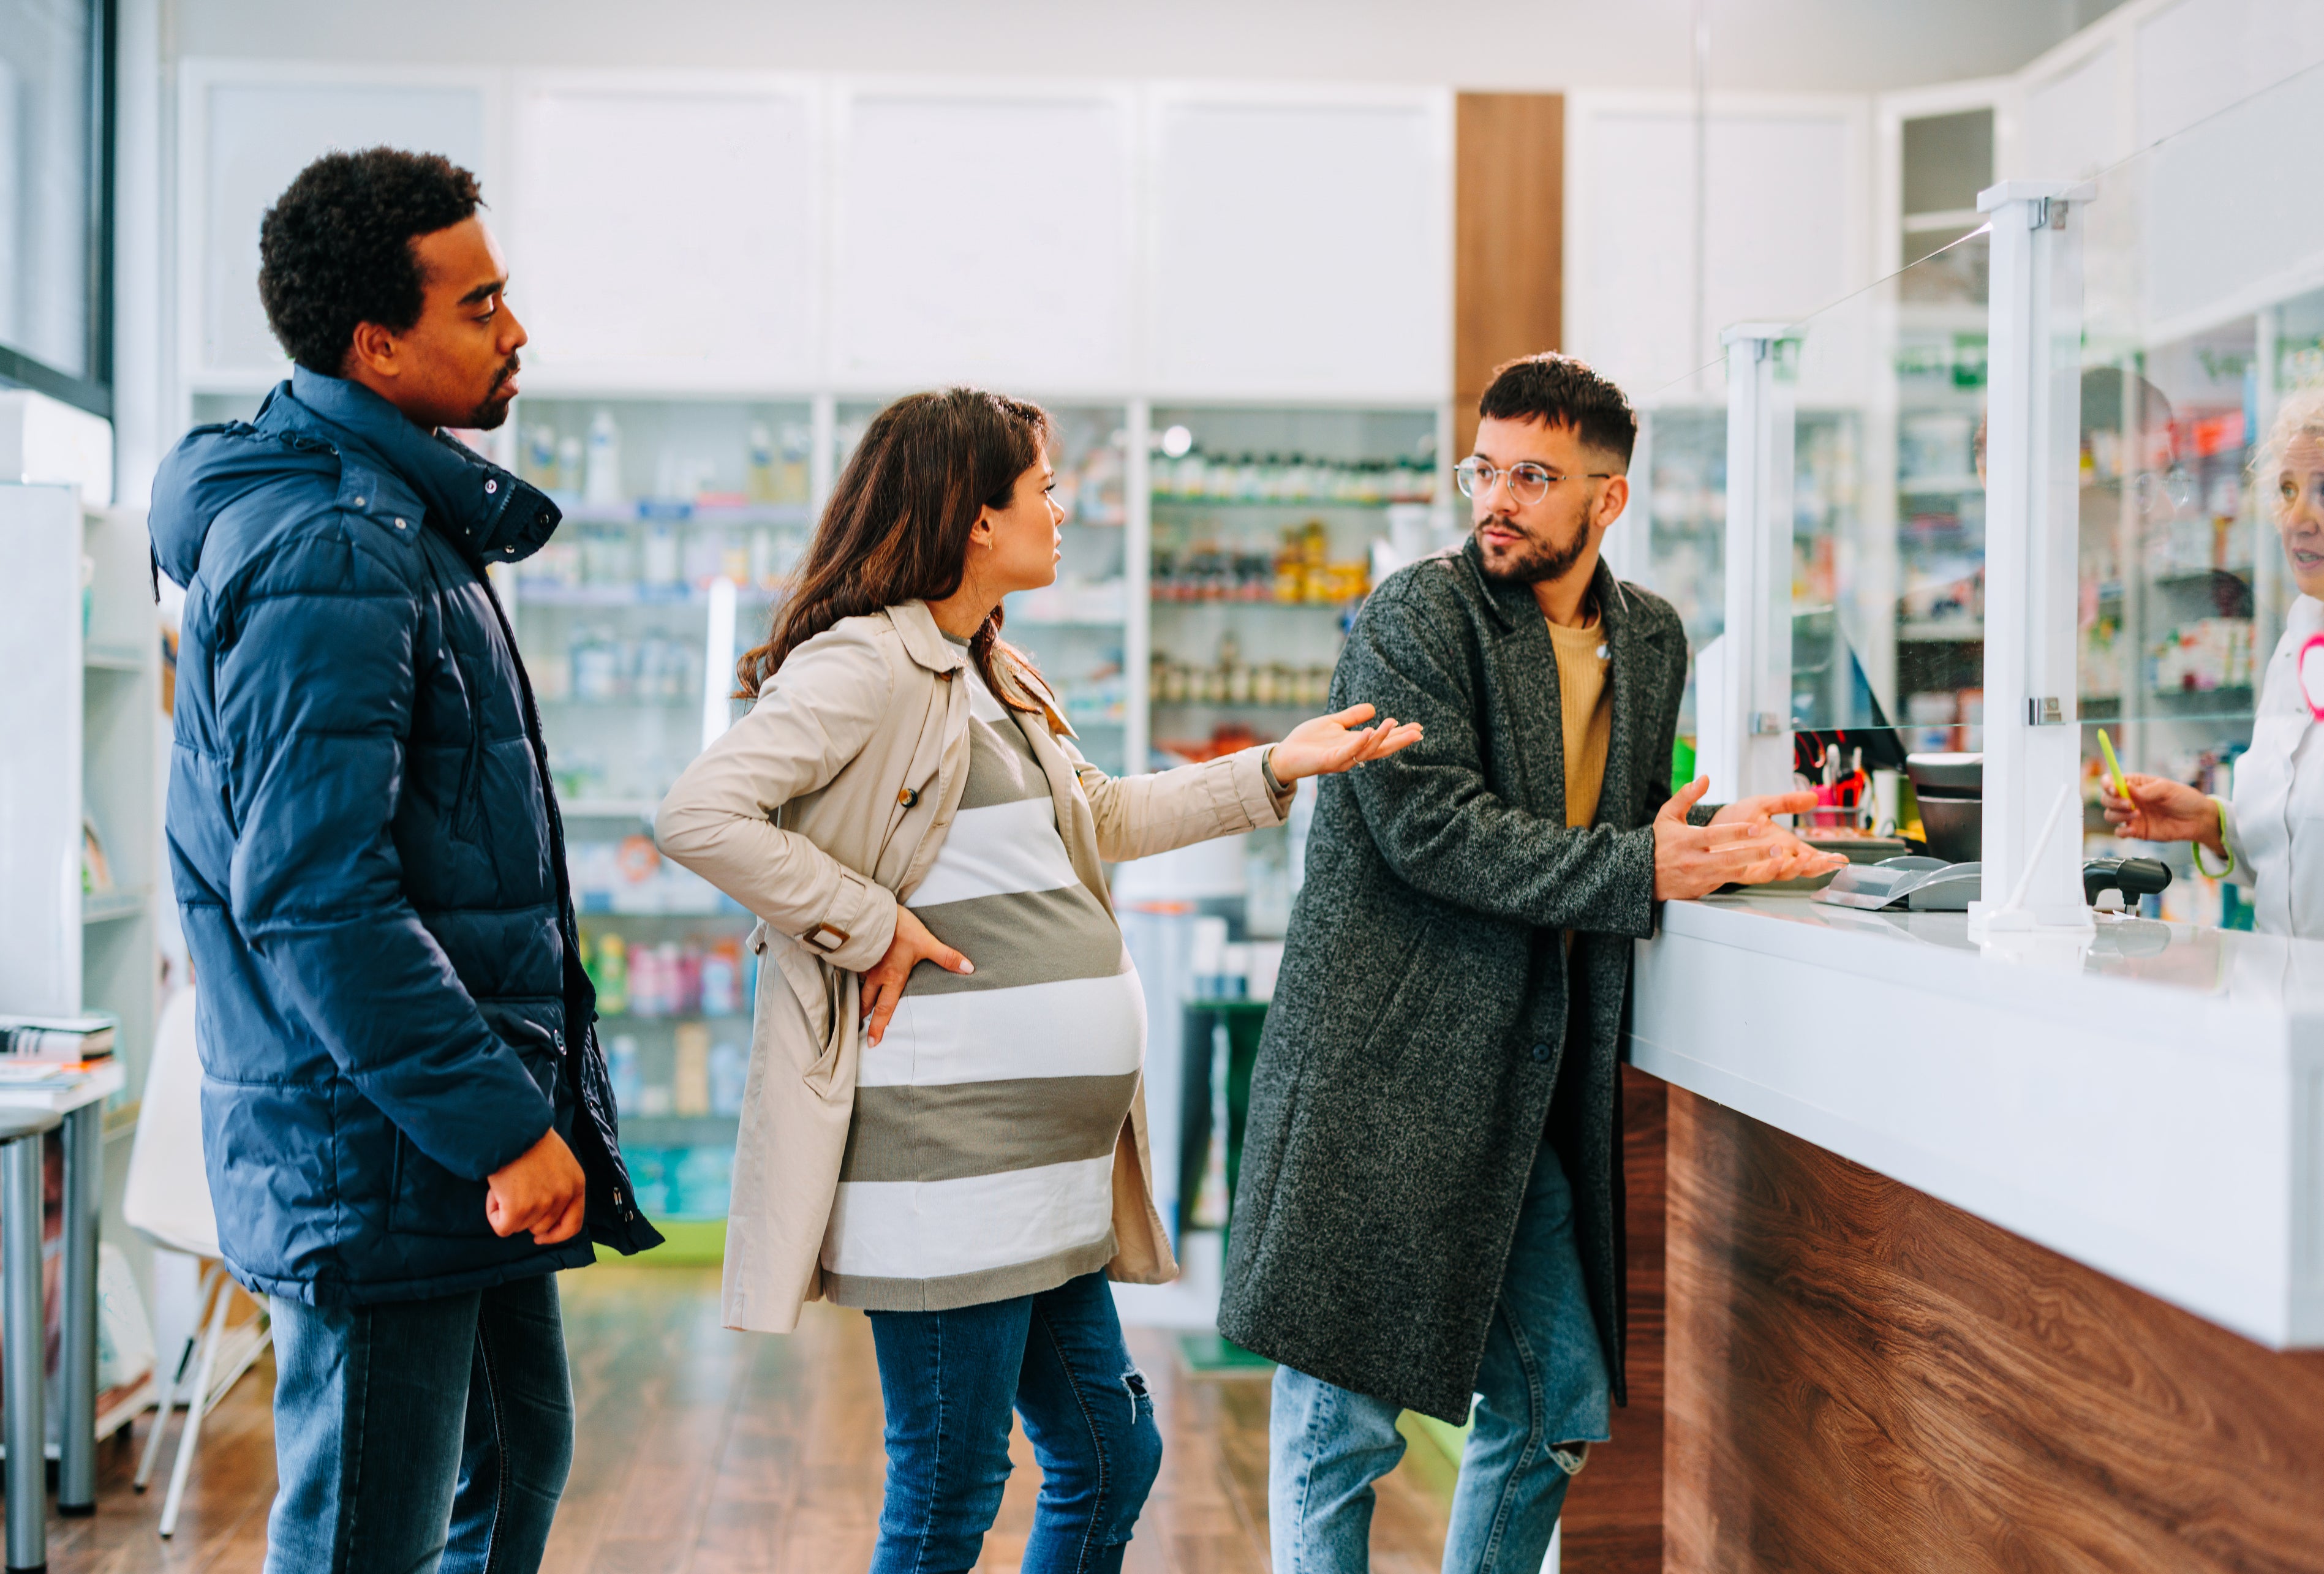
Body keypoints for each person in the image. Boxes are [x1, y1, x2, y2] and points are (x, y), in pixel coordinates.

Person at [652, 388, 1420, 1574]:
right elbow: (699, 811)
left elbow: (1100, 814)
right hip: (946, 1160)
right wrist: (870, 922)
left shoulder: (991, 670)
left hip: (1045, 1171)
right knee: (948, 1491)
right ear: (972, 515)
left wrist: (1277, 764)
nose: (1064, 510)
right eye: (1045, 489)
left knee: (1112, 1457)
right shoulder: (867, 664)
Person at [1217, 353, 1843, 1573]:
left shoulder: (1649, 636)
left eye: (1533, 477)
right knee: (1338, 1429)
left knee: (1554, 1402)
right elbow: (1431, 828)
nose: (1495, 499)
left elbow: (1612, 816)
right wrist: (1640, 868)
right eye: (1485, 469)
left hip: (1525, 1081)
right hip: (1385, 1066)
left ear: (1607, 498)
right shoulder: (1415, 614)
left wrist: (1702, 840)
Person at [151, 148, 660, 1574]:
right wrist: (502, 1123)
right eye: (481, 304)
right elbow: (317, 898)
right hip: (382, 1146)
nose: (517, 332)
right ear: (378, 346)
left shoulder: (398, 519)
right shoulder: (332, 543)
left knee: (516, 1460)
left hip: (438, 1138)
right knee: (366, 1532)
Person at [2103, 387, 2324, 935]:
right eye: (2288, 491)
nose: (2300, 518)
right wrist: (2210, 821)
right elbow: (2290, 857)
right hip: (2283, 1001)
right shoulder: (2296, 647)